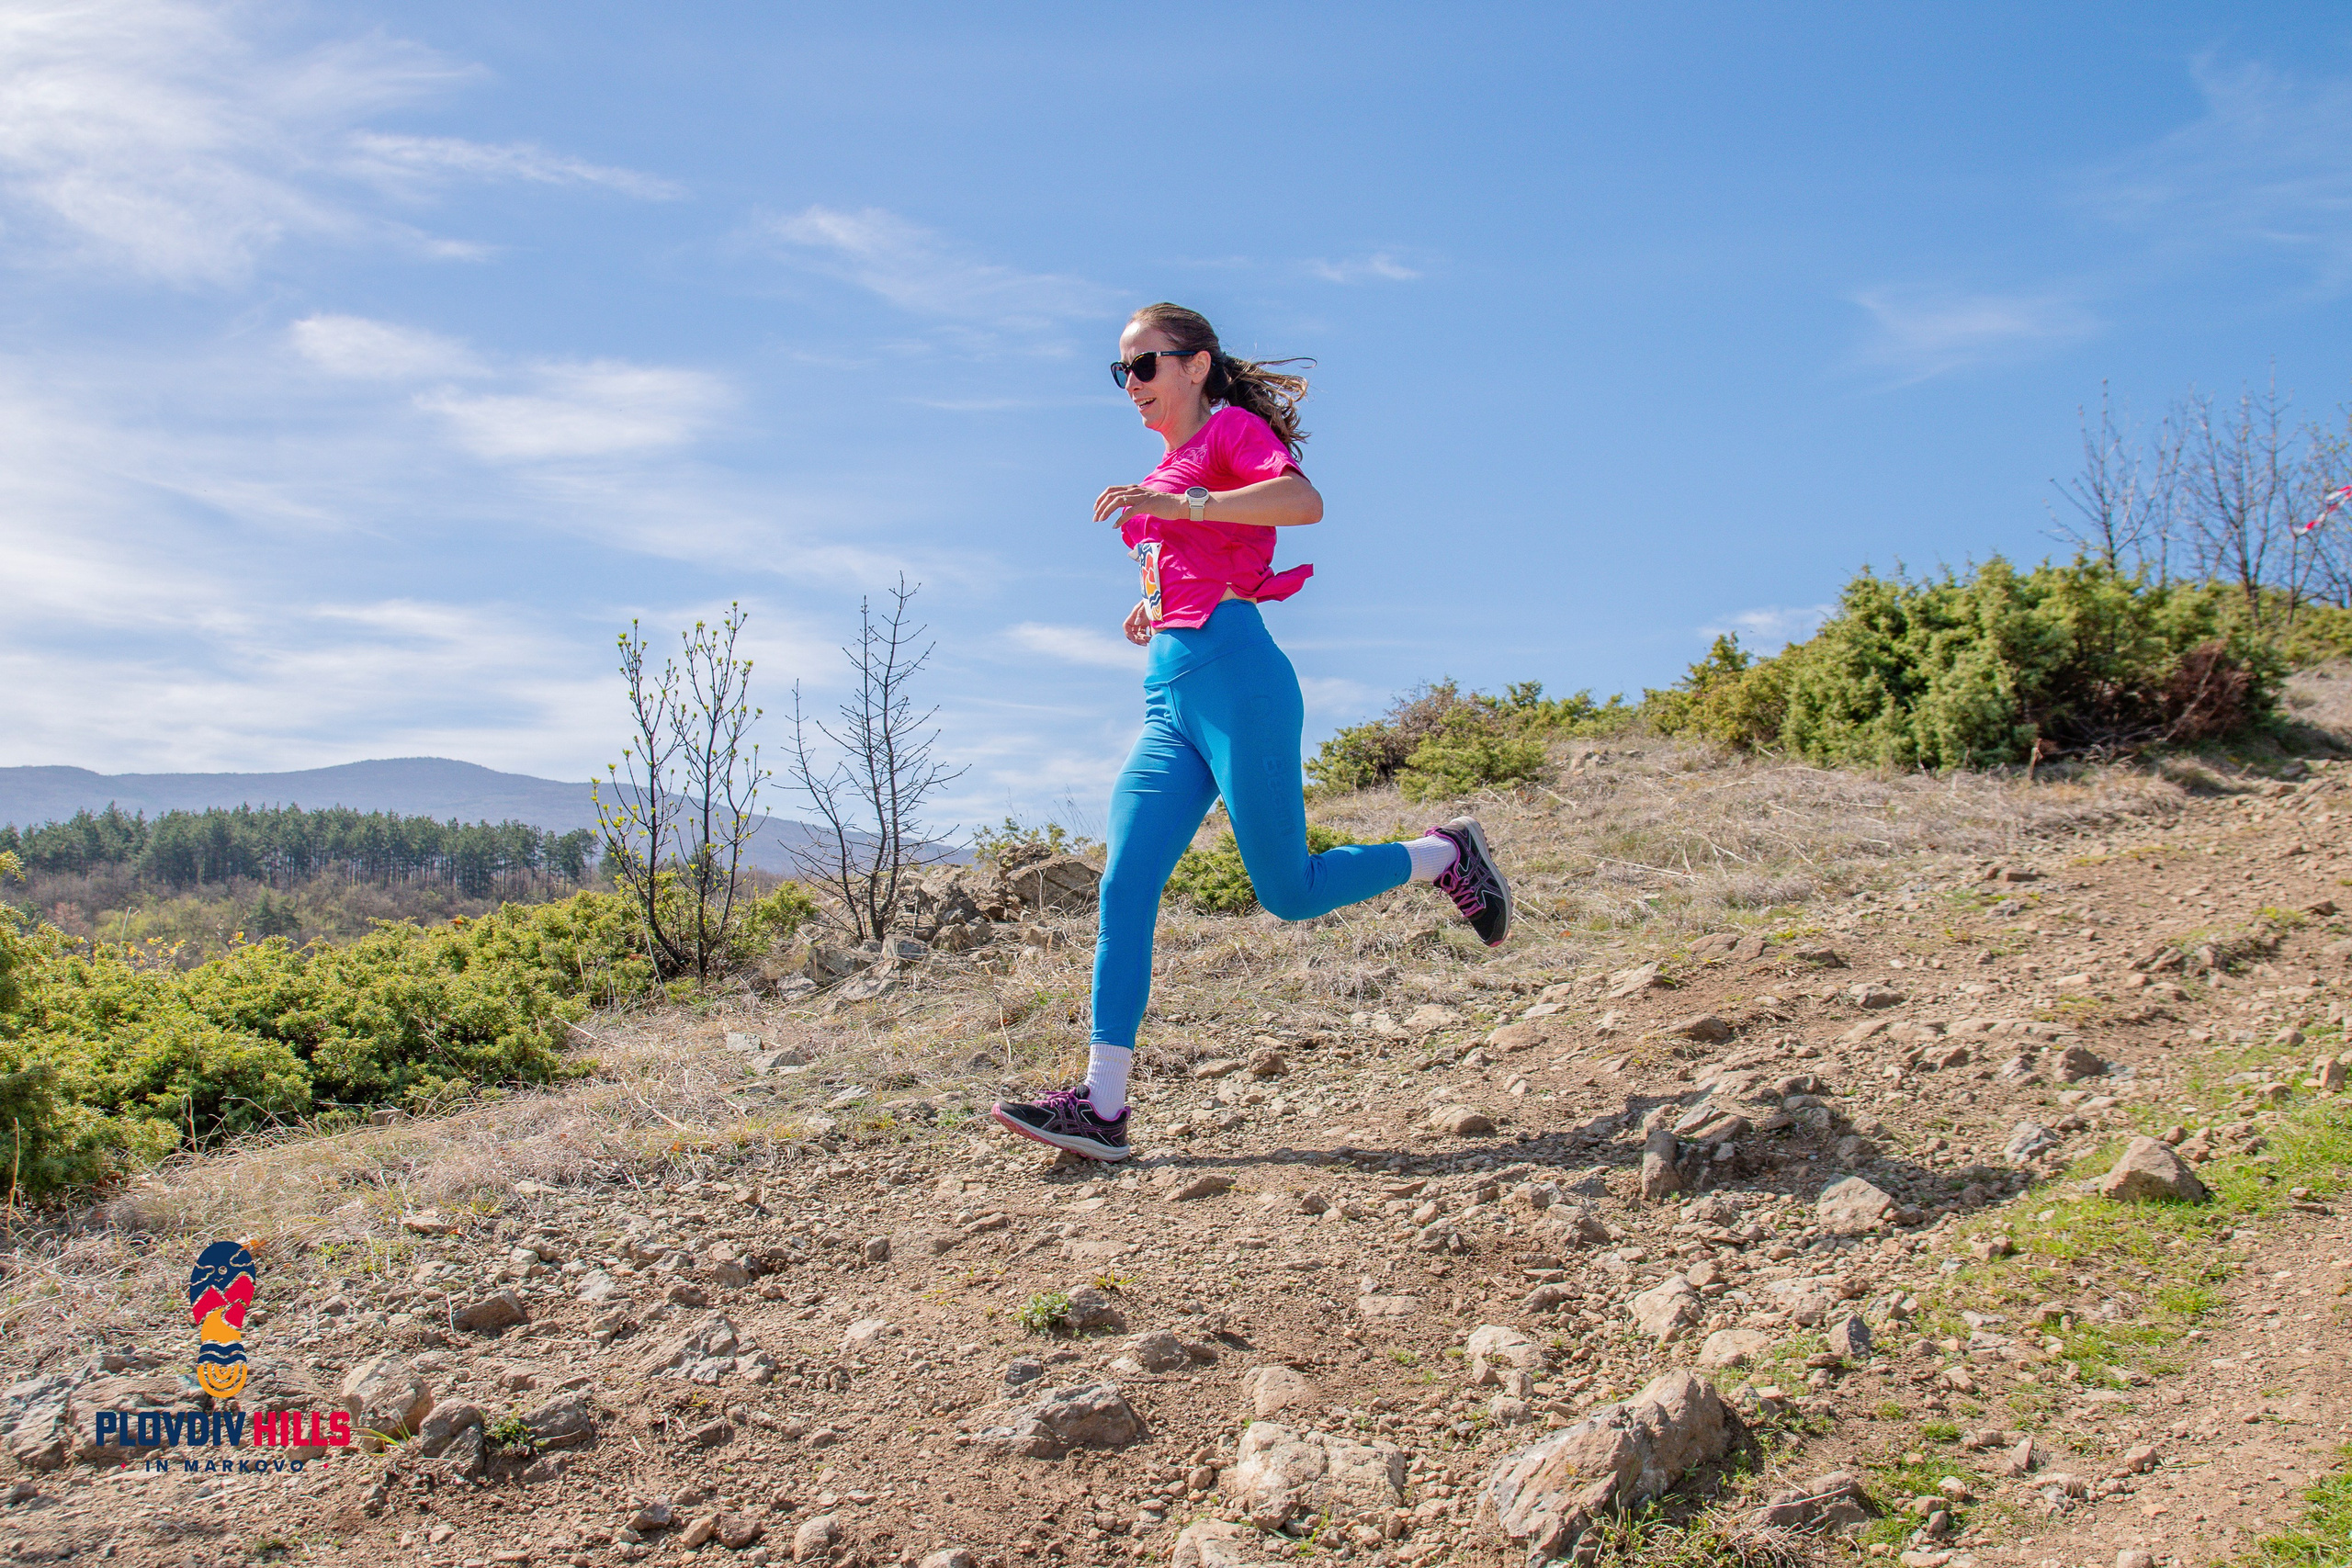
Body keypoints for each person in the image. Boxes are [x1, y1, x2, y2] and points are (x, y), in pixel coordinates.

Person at [991, 303, 1510, 1161]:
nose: (1131, 384)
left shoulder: (1228, 431)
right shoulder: (1164, 469)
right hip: (1168, 699)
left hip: (1239, 681)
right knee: (1125, 883)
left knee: (1289, 891)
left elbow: (1303, 501)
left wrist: (1180, 505)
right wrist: (1153, 604)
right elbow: (1201, 557)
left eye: (1144, 365)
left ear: (1195, 365)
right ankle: (1103, 1106)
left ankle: (1444, 854)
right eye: (1121, 372)